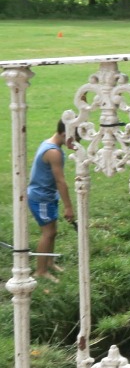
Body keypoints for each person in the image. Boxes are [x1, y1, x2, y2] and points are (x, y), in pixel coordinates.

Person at [27, 120, 75, 280]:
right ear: (63, 134)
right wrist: (68, 207)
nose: (76, 143)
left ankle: (49, 263)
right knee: (48, 233)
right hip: (41, 198)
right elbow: (60, 181)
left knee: (52, 232)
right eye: (74, 139)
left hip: (47, 196)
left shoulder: (50, 144)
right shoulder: (53, 152)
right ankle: (40, 271)